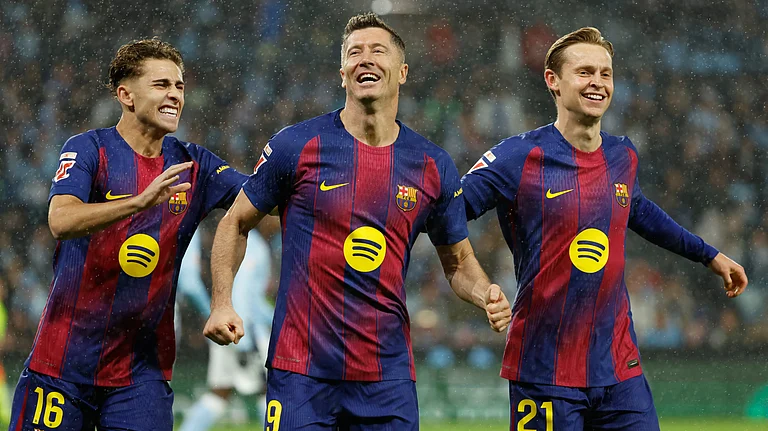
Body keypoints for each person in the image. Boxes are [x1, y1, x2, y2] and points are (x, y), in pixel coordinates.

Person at [204, 13, 512, 431]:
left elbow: (457, 262)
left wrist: (486, 294)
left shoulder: (431, 165)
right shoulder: (297, 145)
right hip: (301, 372)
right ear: (343, 73)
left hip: (387, 377)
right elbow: (235, 222)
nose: (365, 59)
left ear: (402, 72)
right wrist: (222, 302)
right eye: (355, 53)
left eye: (378, 51)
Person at [460, 27, 748, 430]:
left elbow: (641, 212)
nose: (598, 82)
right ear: (553, 82)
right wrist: (478, 285)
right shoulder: (517, 157)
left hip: (618, 367)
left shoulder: (622, 155)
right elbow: (450, 211)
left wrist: (709, 254)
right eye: (584, 72)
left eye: (605, 73)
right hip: (545, 368)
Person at [8, 38, 248, 431]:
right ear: (126, 95)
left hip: (142, 374)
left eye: (179, 86)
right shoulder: (90, 149)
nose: (174, 95)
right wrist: (139, 202)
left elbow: (259, 201)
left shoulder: (194, 164)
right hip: (62, 365)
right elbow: (61, 219)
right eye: (161, 85)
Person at [178, 228, 274, 431]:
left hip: (225, 326)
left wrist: (213, 317)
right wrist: (245, 341)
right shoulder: (248, 239)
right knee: (267, 391)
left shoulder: (220, 233)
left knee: (219, 393)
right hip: (242, 332)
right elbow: (242, 293)